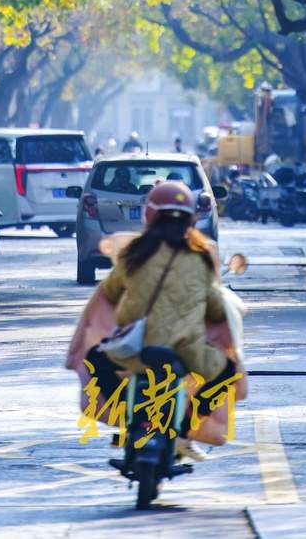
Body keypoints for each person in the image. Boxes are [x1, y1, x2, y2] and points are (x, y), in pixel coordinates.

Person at [87, 181, 234, 438]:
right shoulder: (199, 257)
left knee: (94, 358)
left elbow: (110, 291)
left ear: (149, 215)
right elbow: (216, 309)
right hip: (187, 352)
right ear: (190, 218)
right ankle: (189, 422)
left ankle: (125, 414)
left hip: (136, 349)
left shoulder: (135, 252)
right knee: (227, 371)